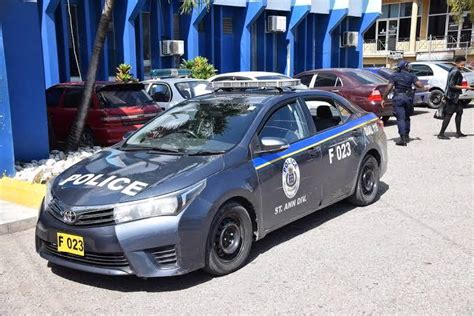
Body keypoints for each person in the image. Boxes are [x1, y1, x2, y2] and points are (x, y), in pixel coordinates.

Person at [382, 60, 424, 146]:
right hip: (408, 98)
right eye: (408, 65)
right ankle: (407, 136)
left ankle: (402, 139)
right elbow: (420, 85)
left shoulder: (394, 76)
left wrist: (383, 98)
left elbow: (389, 87)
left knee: (400, 118)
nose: (409, 67)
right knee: (407, 117)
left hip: (398, 98)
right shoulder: (412, 75)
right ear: (405, 66)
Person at [438, 56, 474, 140]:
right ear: (457, 63)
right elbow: (451, 85)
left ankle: (458, 132)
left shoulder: (452, 69)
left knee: (459, 112)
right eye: (461, 65)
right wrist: (466, 87)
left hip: (455, 96)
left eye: (464, 65)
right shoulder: (455, 72)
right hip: (452, 97)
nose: (463, 66)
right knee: (449, 115)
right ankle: (441, 134)